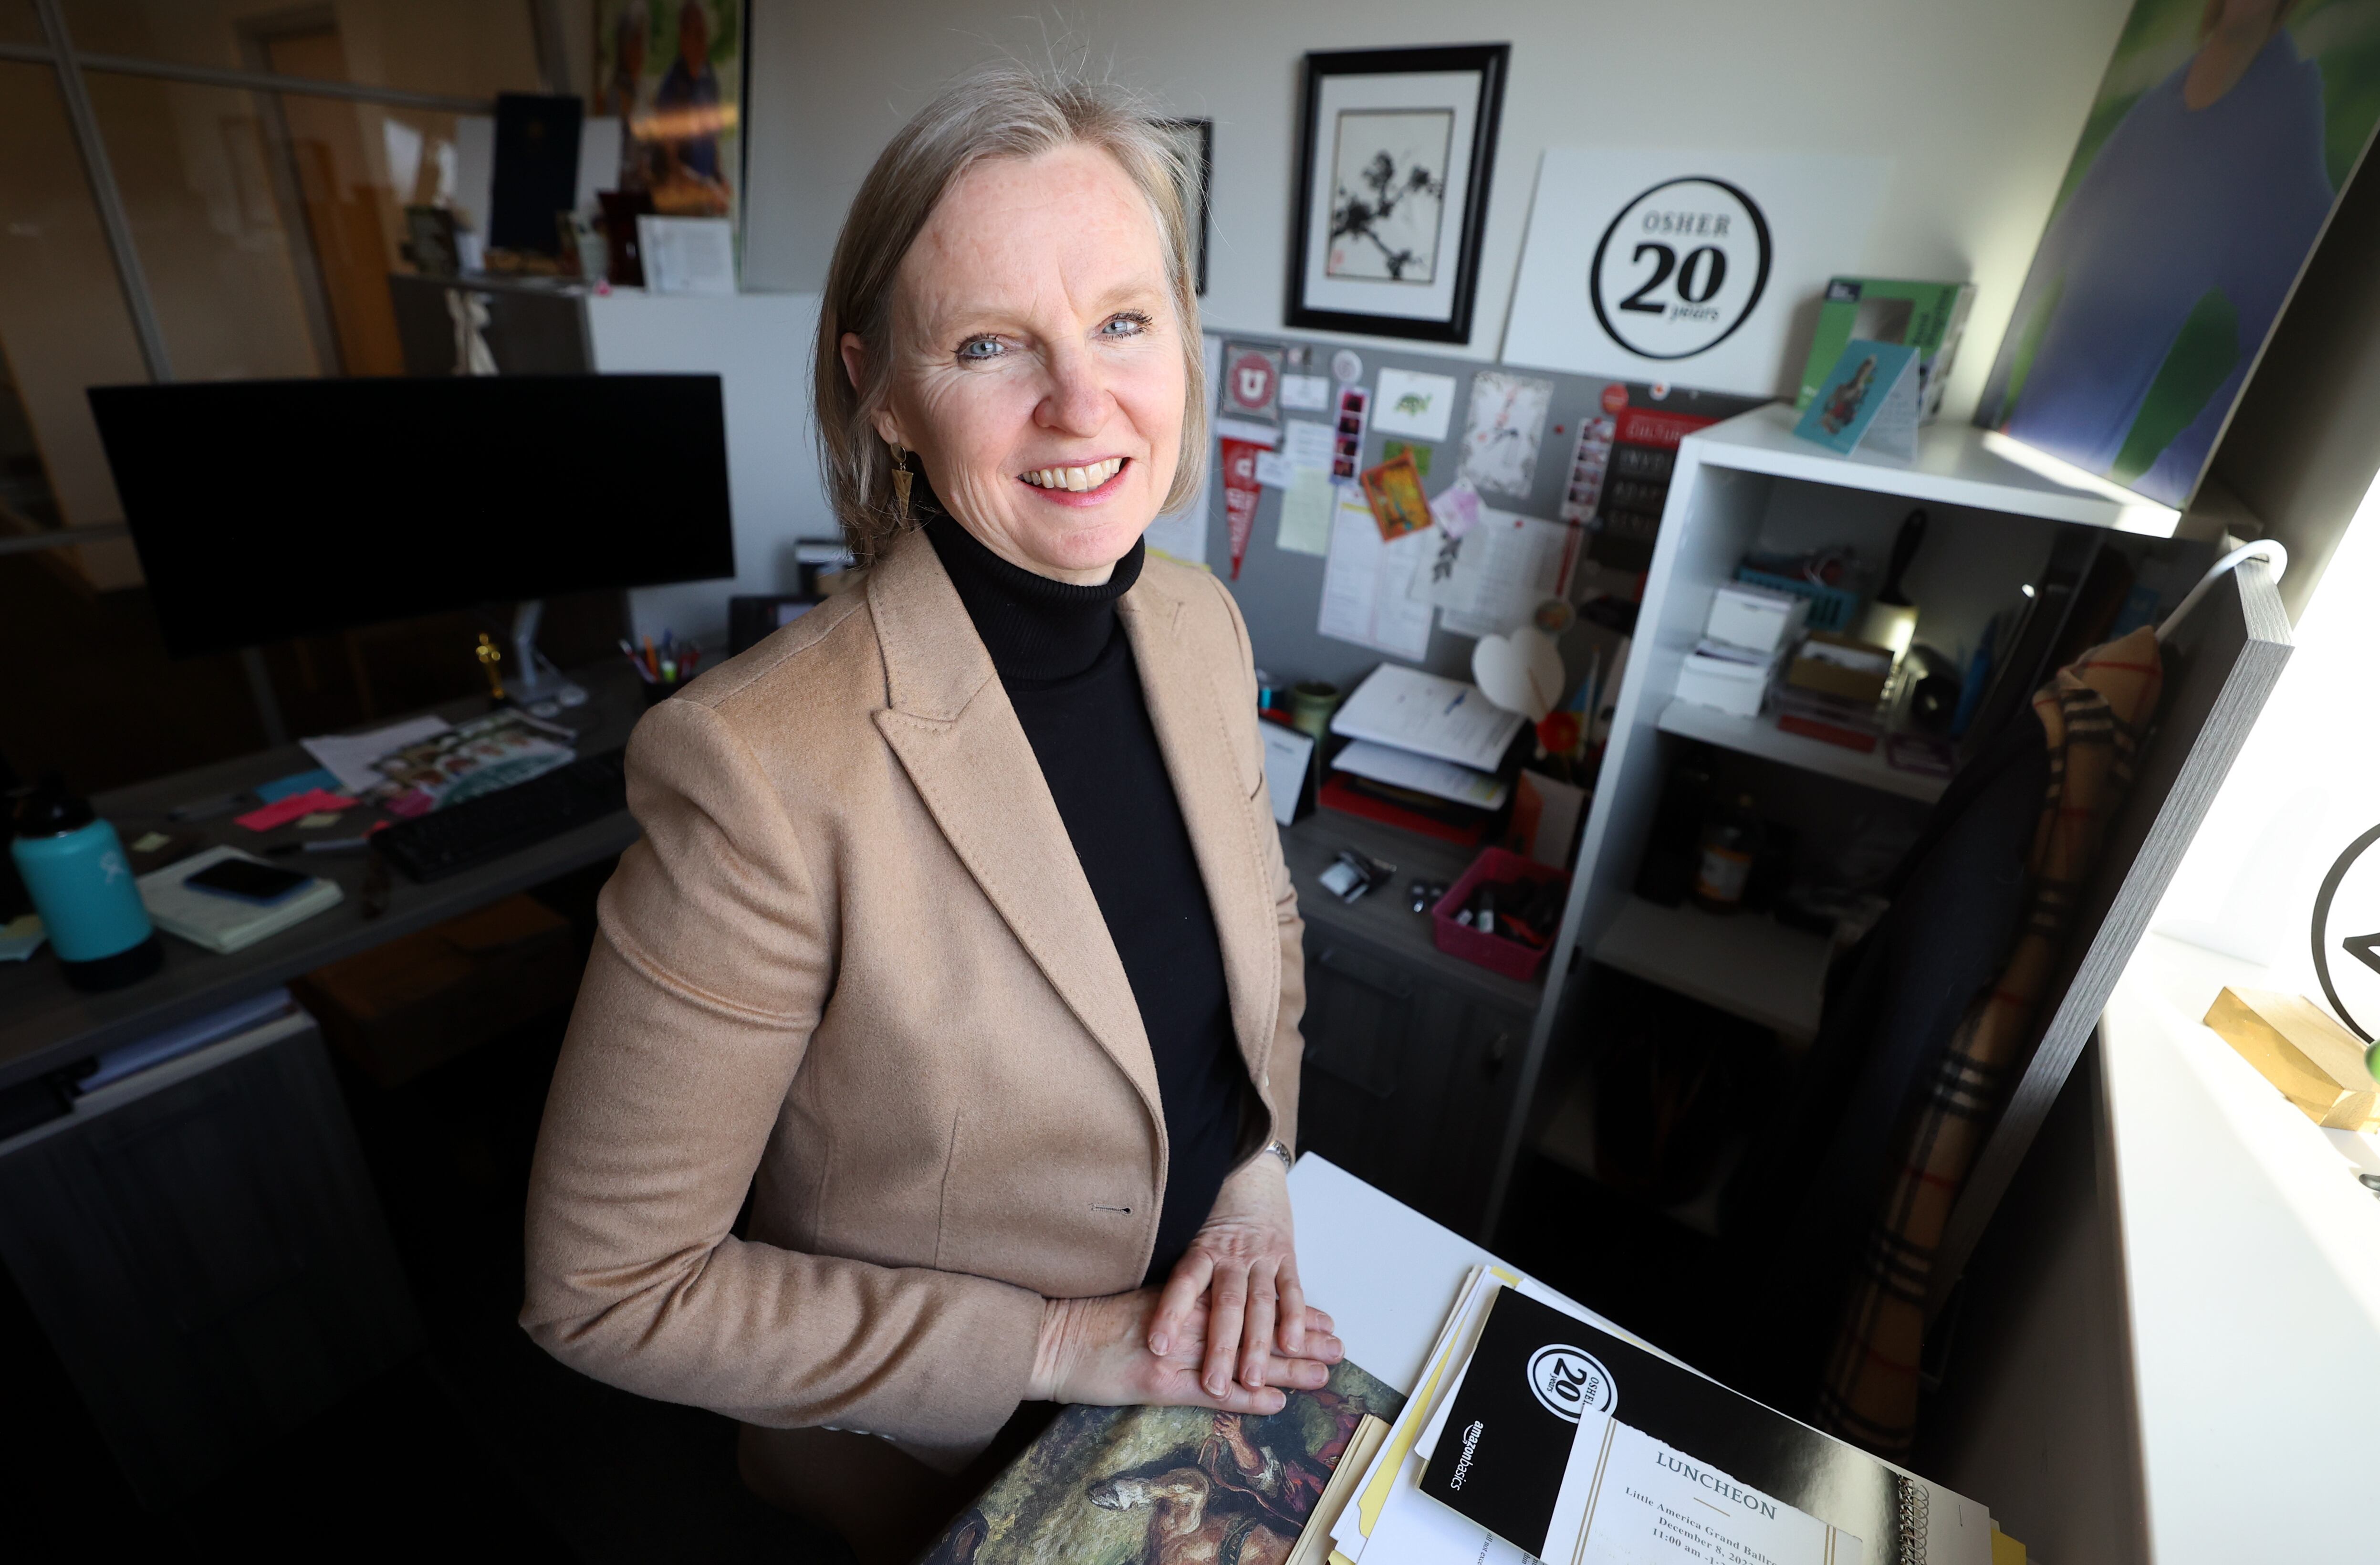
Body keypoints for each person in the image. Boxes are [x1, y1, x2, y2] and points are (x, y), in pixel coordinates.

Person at [522, 63, 1340, 1564]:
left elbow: (1262, 931)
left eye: (1121, 322)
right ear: (883, 391)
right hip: (955, 1452)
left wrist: (1254, 1176)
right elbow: (607, 1288)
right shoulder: (756, 766)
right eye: (988, 344)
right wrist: (1067, 1346)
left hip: (1219, 1332)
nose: (1081, 405)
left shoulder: (1199, 626)